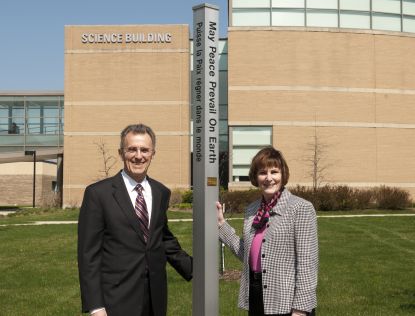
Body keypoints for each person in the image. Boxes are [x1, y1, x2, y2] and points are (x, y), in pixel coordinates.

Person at [78, 123, 193, 316]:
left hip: (154, 298)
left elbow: (162, 238)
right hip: (116, 299)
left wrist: (196, 268)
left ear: (153, 153)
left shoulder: (160, 192)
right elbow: (88, 255)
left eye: (144, 150)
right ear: (121, 152)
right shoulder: (98, 194)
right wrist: (96, 306)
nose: (138, 156)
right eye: (132, 149)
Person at [216, 146, 318, 316]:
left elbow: (307, 264)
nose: (269, 178)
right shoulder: (252, 210)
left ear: (282, 175)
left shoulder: (301, 208)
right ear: (256, 177)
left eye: (274, 172)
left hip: (287, 302)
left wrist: (301, 308)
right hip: (256, 296)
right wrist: (221, 224)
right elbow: (246, 253)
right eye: (263, 172)